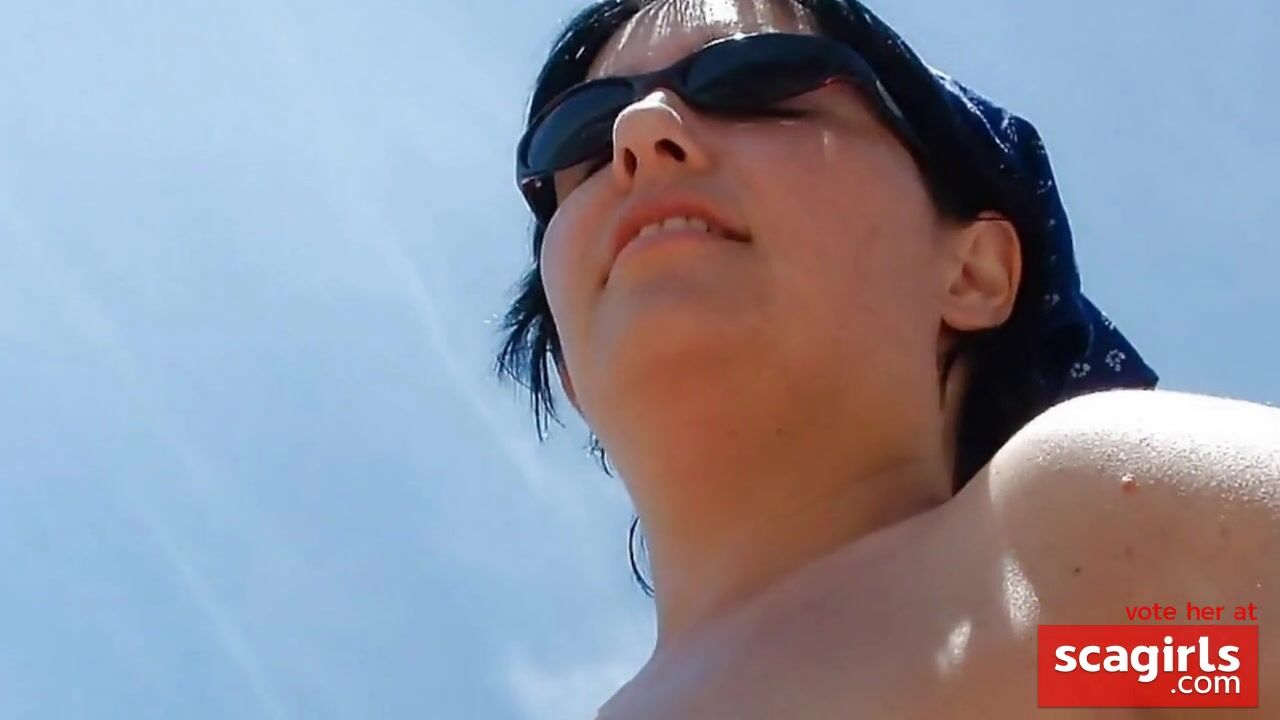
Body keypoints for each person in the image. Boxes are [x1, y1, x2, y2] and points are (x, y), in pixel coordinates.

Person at [497, 0, 1280, 717]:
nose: (638, 131)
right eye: (584, 141)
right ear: (570, 375)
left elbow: (1215, 667)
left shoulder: (1067, 592)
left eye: (755, 79)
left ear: (973, 272)